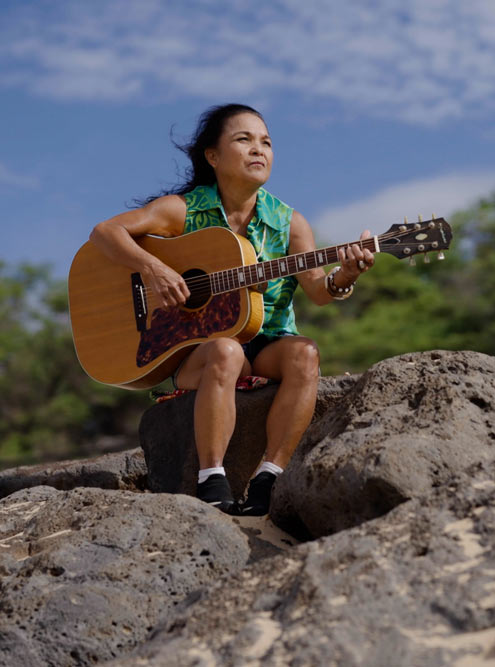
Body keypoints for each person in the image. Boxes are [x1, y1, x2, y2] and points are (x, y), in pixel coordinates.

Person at [90, 103, 375, 515]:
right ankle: (212, 479)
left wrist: (346, 274)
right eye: (244, 139)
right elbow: (106, 232)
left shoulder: (289, 224)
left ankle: (269, 477)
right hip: (197, 351)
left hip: (267, 344)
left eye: (267, 142)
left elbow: (319, 289)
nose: (259, 149)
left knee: (305, 353)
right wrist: (152, 269)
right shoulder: (183, 211)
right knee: (226, 348)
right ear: (213, 156)